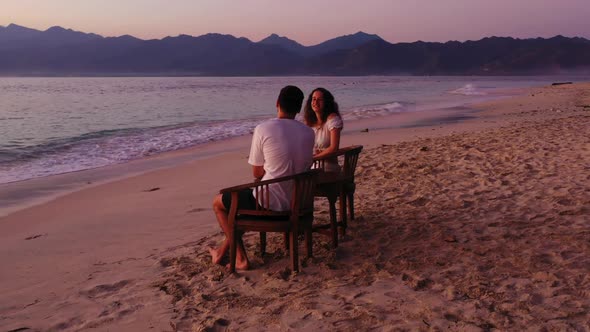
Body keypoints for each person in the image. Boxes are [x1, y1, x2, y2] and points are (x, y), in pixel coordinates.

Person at [209, 85, 315, 270]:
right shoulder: (308, 132)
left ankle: (241, 259)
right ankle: (220, 252)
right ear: (299, 109)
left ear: (277, 103)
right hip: (298, 204)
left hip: (269, 204)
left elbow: (257, 173)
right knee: (240, 204)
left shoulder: (264, 128)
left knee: (219, 202)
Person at [303, 87, 343, 172]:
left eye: (320, 100)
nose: (316, 102)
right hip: (312, 168)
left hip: (328, 169)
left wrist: (315, 157)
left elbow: (334, 148)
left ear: (326, 103)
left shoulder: (332, 119)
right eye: (313, 99)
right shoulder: (310, 122)